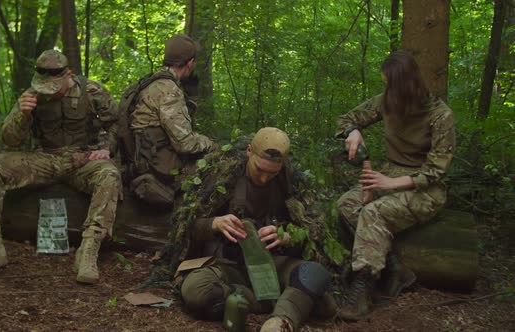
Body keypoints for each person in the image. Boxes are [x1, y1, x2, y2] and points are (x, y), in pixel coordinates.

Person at [0, 50, 120, 285]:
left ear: (68, 75)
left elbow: (116, 123)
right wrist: (22, 115)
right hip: (46, 159)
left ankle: (88, 251)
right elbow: (10, 140)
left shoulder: (92, 91)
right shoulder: (31, 96)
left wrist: (107, 148)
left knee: (110, 174)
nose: (47, 92)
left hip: (83, 160)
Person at [336, 50, 455, 320]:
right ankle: (394, 268)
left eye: (391, 84)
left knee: (373, 212)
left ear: (408, 84)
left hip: (424, 189)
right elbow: (345, 119)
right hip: (390, 174)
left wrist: (391, 183)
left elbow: (436, 171)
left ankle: (362, 289)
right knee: (346, 205)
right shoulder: (386, 101)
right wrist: (353, 132)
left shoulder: (440, 115)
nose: (387, 90)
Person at [179, 128, 331, 332]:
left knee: (314, 273)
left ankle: (279, 321)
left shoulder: (291, 181)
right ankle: (289, 300)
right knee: (197, 291)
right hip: (228, 265)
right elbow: (185, 226)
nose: (264, 179)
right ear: (249, 151)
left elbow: (313, 232)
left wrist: (287, 236)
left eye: (272, 173)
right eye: (259, 169)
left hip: (274, 264)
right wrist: (214, 223)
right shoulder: (222, 175)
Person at [128, 34, 215, 207]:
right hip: (157, 167)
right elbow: (185, 143)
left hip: (144, 158)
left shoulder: (152, 82)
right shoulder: (169, 90)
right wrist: (211, 144)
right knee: (218, 167)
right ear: (190, 63)